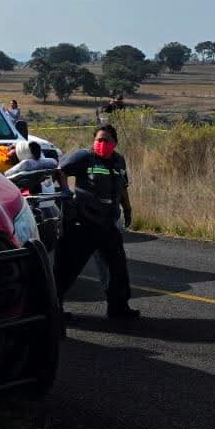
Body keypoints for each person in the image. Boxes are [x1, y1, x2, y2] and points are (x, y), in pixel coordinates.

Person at [54, 124, 140, 320]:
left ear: (115, 143)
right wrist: (65, 190)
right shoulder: (84, 157)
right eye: (98, 140)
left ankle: (118, 308)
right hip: (83, 223)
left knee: (118, 268)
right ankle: (53, 308)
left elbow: (123, 187)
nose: (102, 143)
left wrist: (127, 208)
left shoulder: (119, 161)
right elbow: (60, 170)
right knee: (67, 268)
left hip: (108, 223)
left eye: (106, 140)